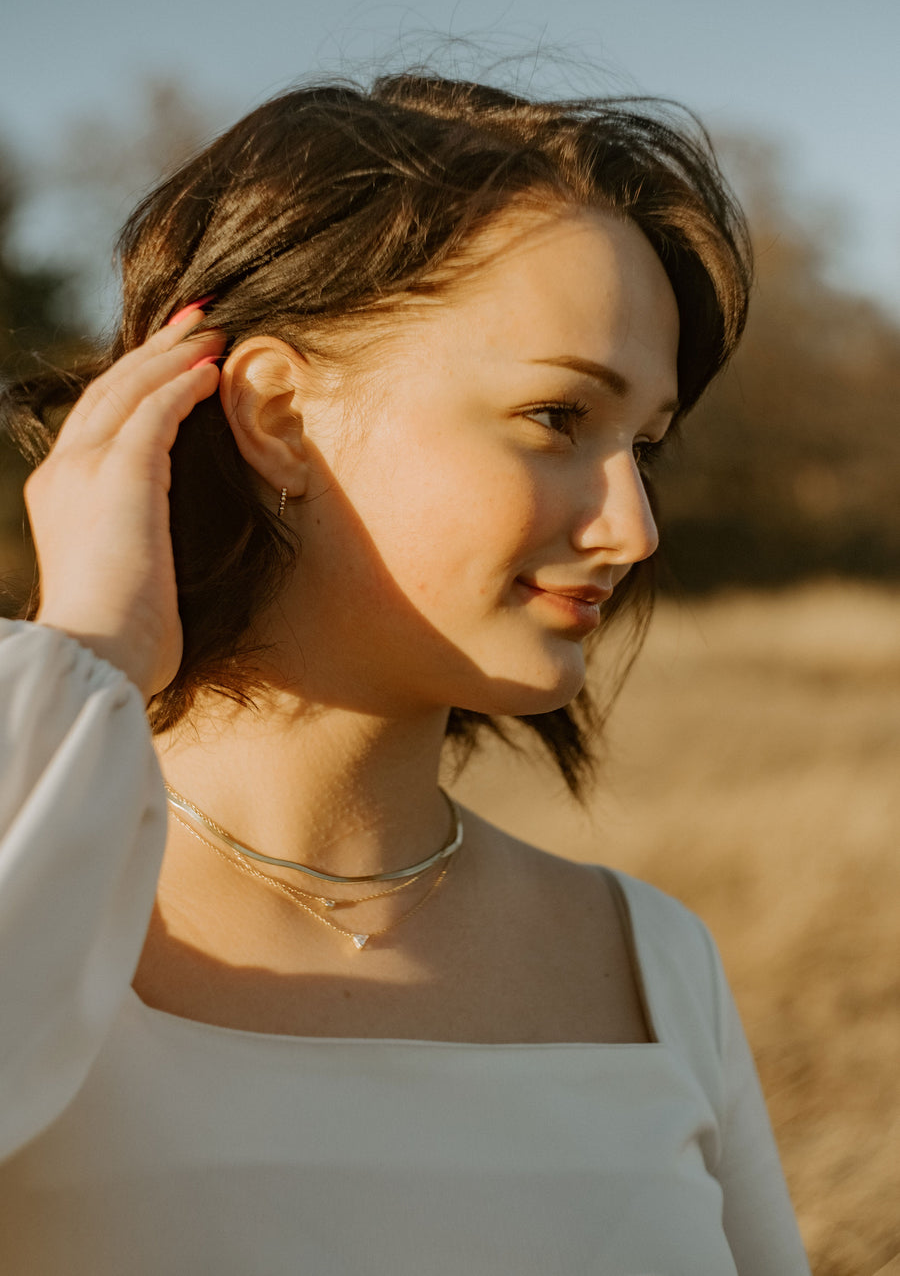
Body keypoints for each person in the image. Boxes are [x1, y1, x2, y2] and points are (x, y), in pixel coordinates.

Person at [0, 73, 810, 1274]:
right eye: (557, 416)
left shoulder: (657, 965)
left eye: (643, 445)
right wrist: (90, 657)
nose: (634, 527)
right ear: (278, 414)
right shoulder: (27, 878)